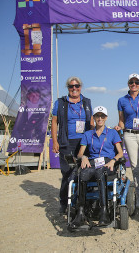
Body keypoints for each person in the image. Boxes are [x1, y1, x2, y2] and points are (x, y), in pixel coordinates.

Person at [69, 106, 123, 229]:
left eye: (102, 116)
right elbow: (80, 153)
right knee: (82, 174)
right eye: (97, 116)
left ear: (106, 118)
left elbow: (120, 153)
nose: (100, 118)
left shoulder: (112, 133)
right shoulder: (88, 134)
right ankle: (80, 212)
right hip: (92, 162)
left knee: (100, 172)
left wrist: (113, 161)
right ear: (93, 118)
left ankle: (104, 212)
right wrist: (83, 157)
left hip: (107, 162)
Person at [51, 77, 94, 214]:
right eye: (71, 86)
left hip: (84, 142)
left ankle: (86, 201)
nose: (74, 88)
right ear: (68, 87)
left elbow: (91, 121)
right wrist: (55, 141)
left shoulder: (86, 102)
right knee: (67, 173)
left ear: (81, 87)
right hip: (67, 142)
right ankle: (64, 203)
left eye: (77, 86)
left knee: (86, 171)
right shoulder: (60, 102)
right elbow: (54, 122)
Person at [114, 73, 139, 209]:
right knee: (135, 168)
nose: (134, 84)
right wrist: (120, 127)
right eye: (131, 82)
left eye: (136, 82)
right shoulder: (122, 100)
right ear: (128, 84)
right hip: (129, 135)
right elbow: (121, 120)